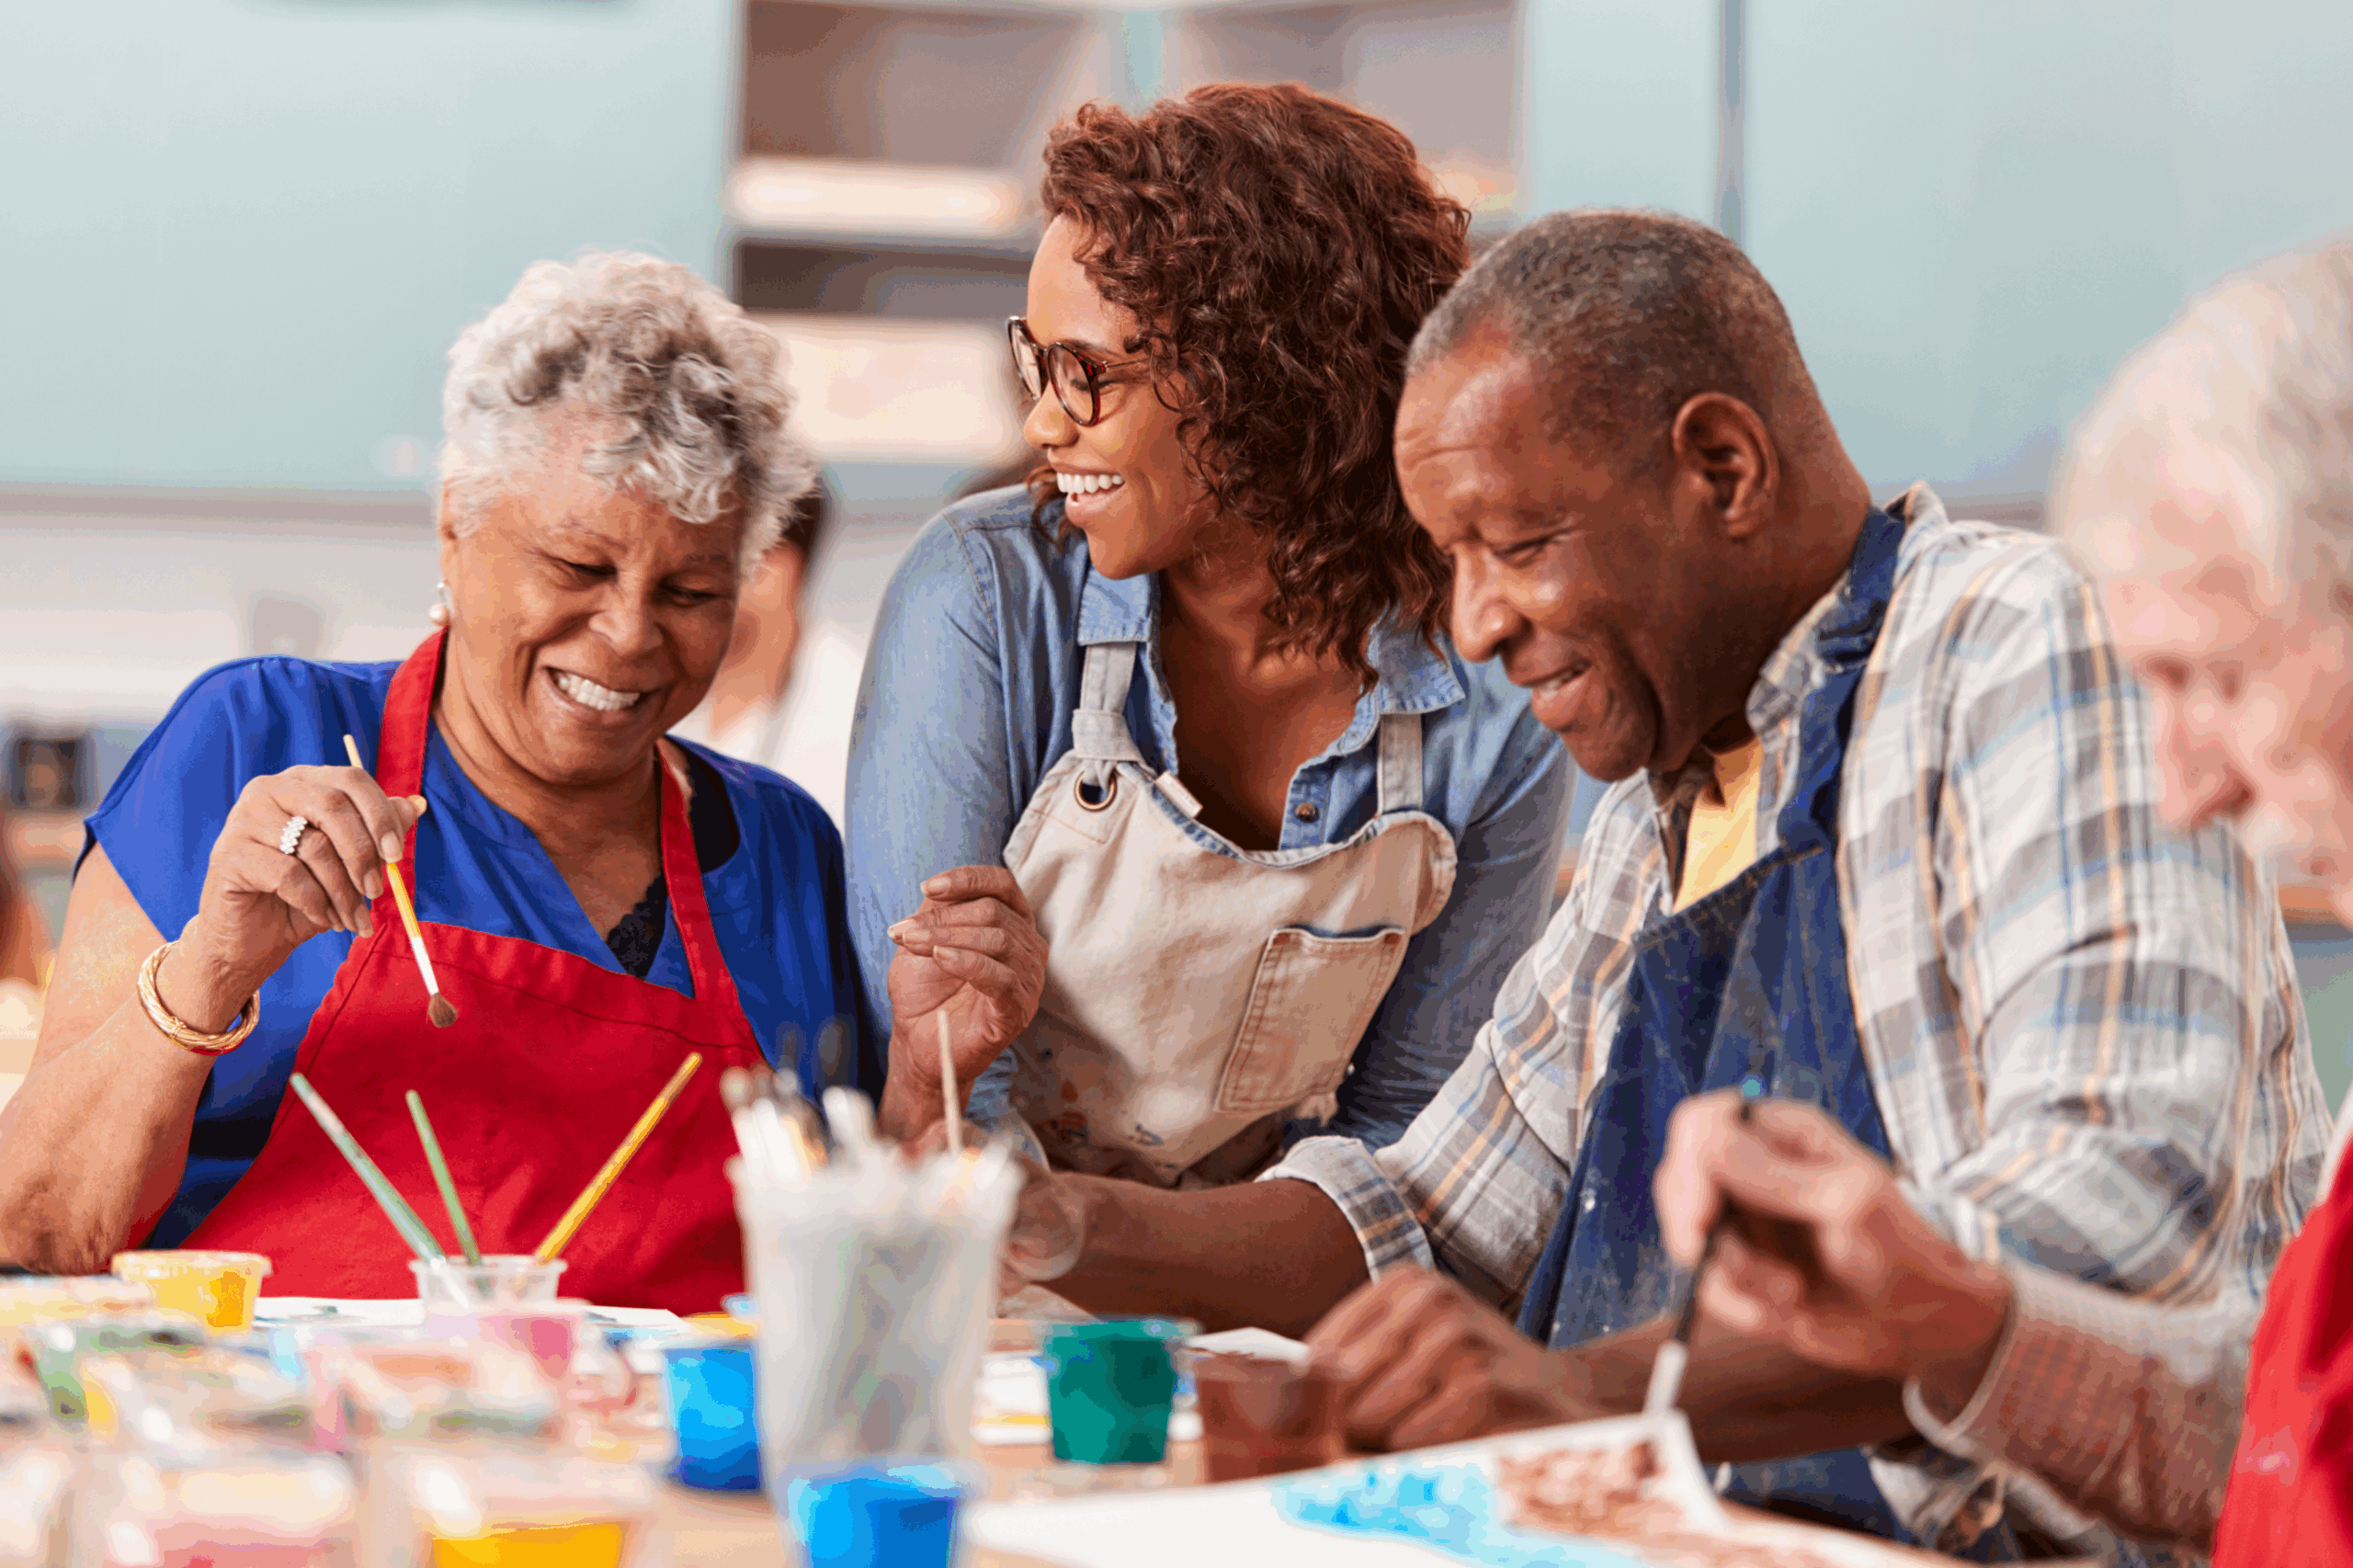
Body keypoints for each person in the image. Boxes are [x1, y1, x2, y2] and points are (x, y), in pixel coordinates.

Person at [972, 210, 2323, 1563]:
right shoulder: (1657, 810)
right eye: (1450, 559)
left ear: (1722, 468)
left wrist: (1594, 1398)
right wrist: (1050, 1220)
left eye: (1513, 543)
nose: (1475, 624)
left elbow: (2119, 1212)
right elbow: (1432, 1219)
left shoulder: (2021, 644)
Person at [1649, 236, 2353, 1567]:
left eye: (2214, 680)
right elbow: (2279, 1450)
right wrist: (1953, 1317)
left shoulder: (2007, 636)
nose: (2185, 790)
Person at [0, 252, 880, 1311]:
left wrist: (932, 1063)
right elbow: (35, 1226)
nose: (628, 635)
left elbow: (854, 1256)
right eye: (579, 567)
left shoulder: (783, 845)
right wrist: (213, 967)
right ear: (456, 522)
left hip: (663, 1467)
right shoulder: (253, 739)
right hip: (285, 1454)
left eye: (691, 589)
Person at [848, 85, 1569, 1191]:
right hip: (990, 1290)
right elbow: (943, 1106)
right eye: (1035, 362)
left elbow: (1414, 1149)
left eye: (1087, 372)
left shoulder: (1489, 683)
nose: (1044, 421)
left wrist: (1220, 1303)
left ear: (1267, 376)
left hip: (1272, 1302)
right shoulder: (982, 600)